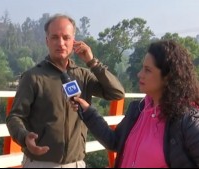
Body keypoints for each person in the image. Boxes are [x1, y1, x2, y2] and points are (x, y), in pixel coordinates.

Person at [6, 14, 125, 168]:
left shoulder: (83, 75)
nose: (60, 43)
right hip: (41, 163)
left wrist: (92, 62)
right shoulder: (33, 77)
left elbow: (116, 93)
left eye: (66, 37)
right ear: (47, 40)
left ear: (74, 40)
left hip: (75, 163)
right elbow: (15, 116)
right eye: (55, 37)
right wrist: (24, 137)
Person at [71, 40, 199, 168]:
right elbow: (114, 142)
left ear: (167, 77)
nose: (140, 74)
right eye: (142, 68)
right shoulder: (138, 109)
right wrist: (88, 112)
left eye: (147, 70)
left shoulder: (187, 120)